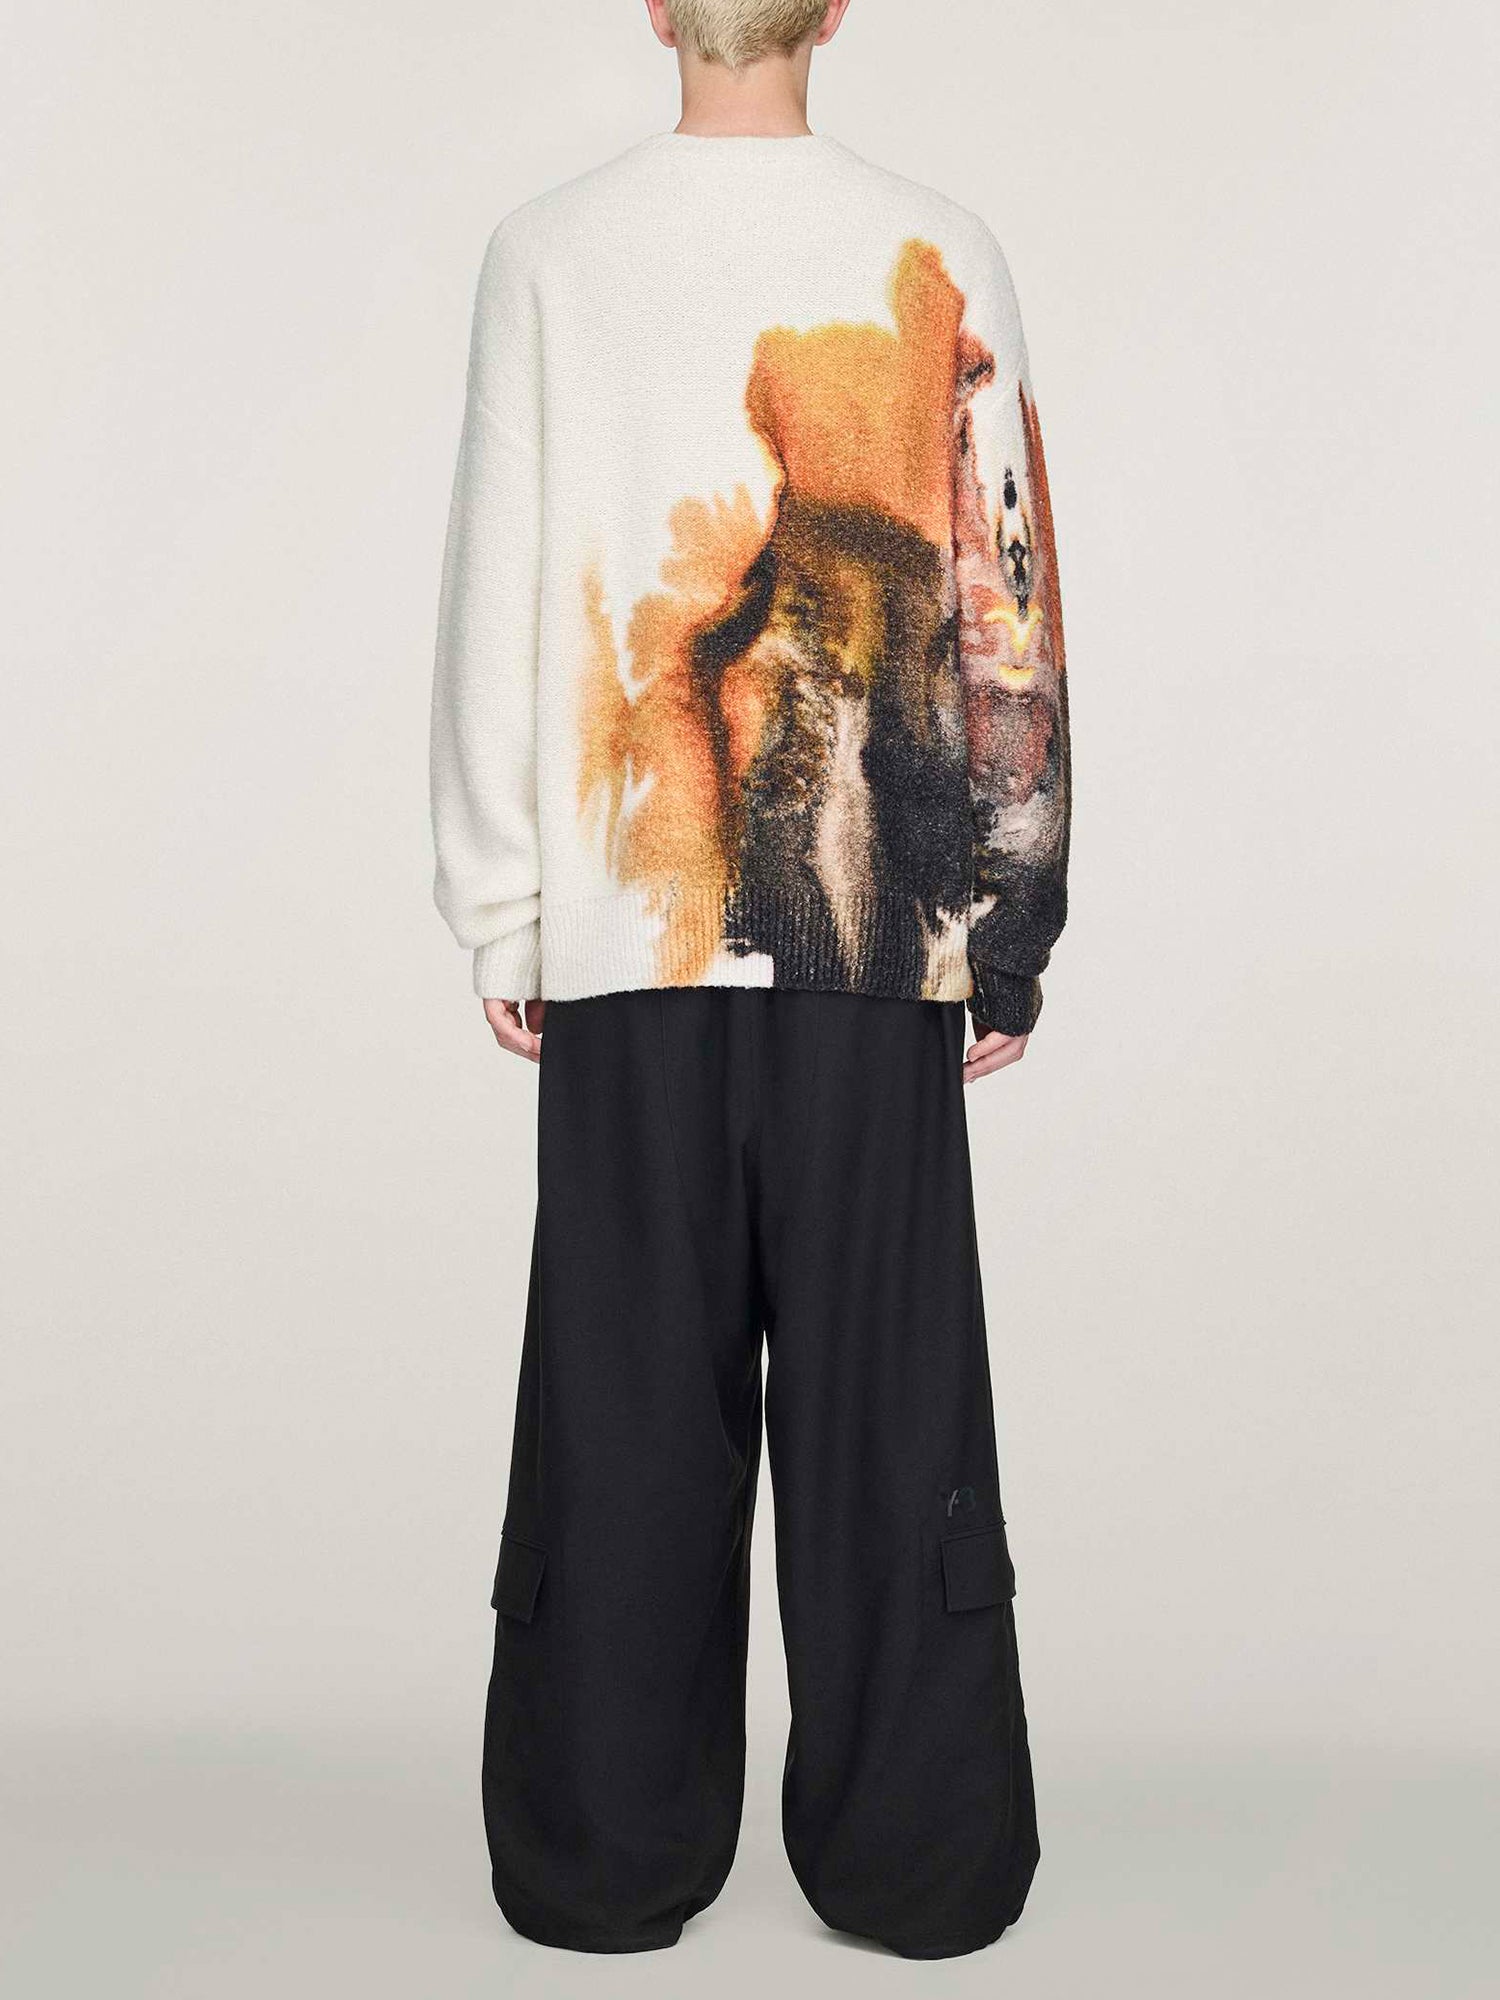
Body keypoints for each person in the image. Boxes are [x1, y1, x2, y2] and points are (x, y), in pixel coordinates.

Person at [429, 0, 1069, 1959]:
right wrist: (1008, 923)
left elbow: (499, 588)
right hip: (882, 940)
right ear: (835, 7)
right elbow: (1005, 608)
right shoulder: (941, 243)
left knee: (628, 1402)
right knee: (890, 1407)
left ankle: (601, 1857)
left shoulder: (548, 251)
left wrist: (508, 902)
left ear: (655, 8)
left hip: (631, 919)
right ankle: (920, 1866)